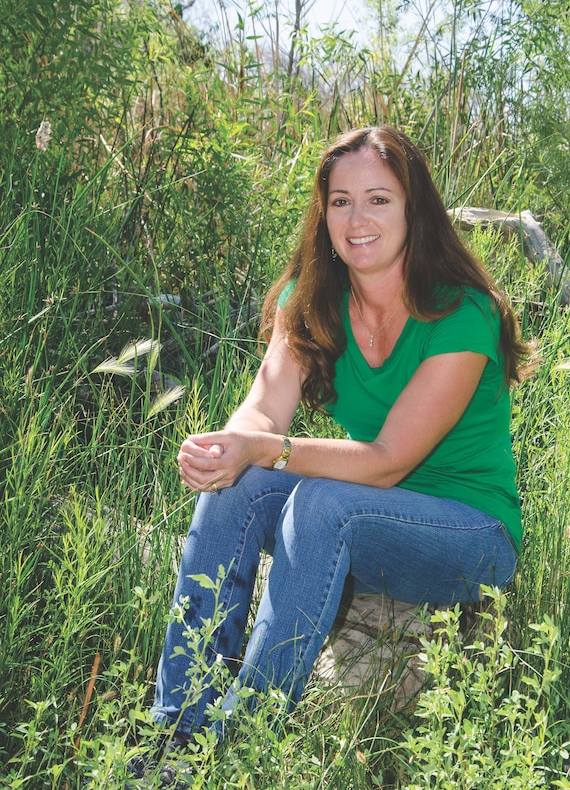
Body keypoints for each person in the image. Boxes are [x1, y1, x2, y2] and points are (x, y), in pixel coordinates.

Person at [140, 125, 531, 780]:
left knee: (321, 502)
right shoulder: (313, 297)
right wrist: (228, 447)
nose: (357, 219)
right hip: (366, 506)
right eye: (340, 201)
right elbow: (264, 408)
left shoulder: (462, 314)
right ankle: (177, 733)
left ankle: (241, 743)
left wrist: (265, 447)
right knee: (237, 484)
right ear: (322, 214)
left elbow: (385, 460)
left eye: (378, 199)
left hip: (467, 533)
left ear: (413, 209)